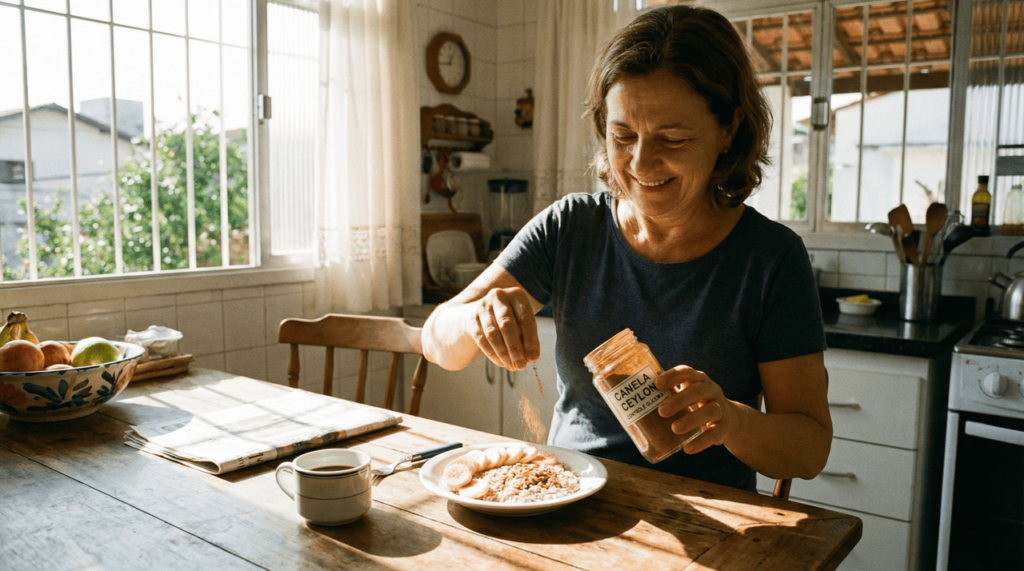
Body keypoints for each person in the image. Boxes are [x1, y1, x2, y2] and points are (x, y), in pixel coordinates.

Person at [421, 5, 831, 492]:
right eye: (623, 136)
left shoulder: (770, 259)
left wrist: (734, 421)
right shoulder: (569, 228)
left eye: (672, 138)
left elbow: (808, 450)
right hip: (564, 496)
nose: (640, 162)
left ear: (729, 130)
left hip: (714, 523)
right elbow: (435, 342)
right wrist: (475, 319)